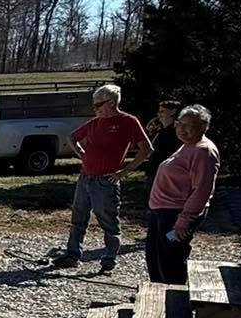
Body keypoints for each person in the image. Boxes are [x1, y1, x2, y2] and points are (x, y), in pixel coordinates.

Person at [49, 82, 151, 274]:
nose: (95, 109)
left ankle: (109, 259)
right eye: (94, 105)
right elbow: (73, 137)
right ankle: (72, 255)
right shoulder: (95, 123)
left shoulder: (128, 122)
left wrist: (124, 172)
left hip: (106, 181)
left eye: (99, 104)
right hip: (86, 177)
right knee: (78, 217)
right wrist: (82, 154)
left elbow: (146, 149)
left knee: (108, 221)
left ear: (112, 102)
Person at [146, 104, 219, 283]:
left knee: (170, 258)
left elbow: (202, 191)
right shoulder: (188, 145)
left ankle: (174, 300)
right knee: (155, 255)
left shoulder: (204, 151)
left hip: (176, 215)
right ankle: (156, 294)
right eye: (180, 124)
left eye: (190, 126)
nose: (183, 129)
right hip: (161, 212)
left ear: (203, 127)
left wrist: (184, 221)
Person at [145, 98, 182, 173]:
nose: (159, 114)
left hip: (169, 173)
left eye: (162, 111)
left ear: (173, 112)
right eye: (158, 112)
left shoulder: (179, 131)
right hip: (155, 173)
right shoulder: (158, 130)